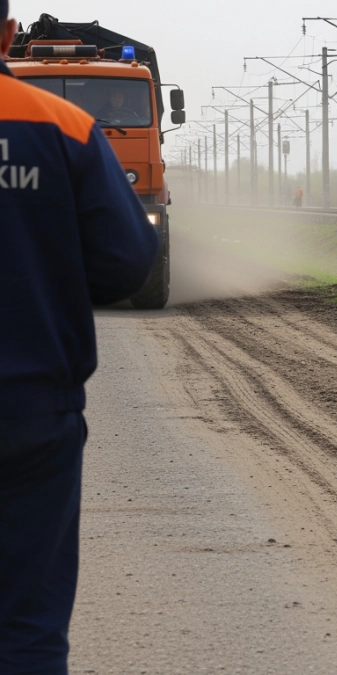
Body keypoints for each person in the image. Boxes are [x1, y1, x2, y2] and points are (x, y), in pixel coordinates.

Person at [0, 1, 160, 671]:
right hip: (30, 411)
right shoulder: (61, 123)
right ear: (6, 32)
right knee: (27, 628)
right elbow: (125, 261)